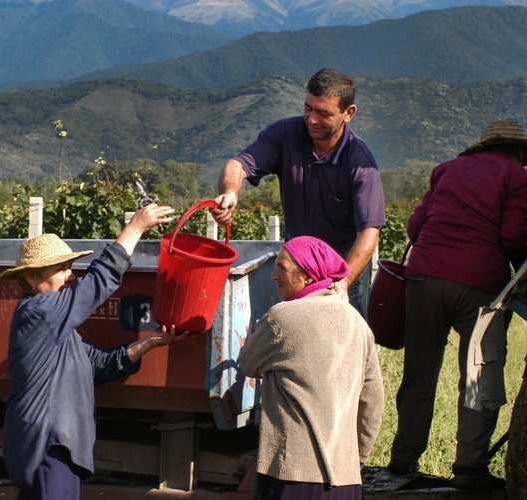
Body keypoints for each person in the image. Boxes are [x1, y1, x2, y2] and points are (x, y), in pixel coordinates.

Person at [0, 202, 187, 500]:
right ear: (32, 279)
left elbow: (99, 364)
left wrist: (148, 343)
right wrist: (136, 227)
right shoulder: (38, 312)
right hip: (47, 446)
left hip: (56, 448)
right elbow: (98, 282)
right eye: (60, 269)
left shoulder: (56, 329)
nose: (70, 275)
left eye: (69, 267)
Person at [388, 119, 527, 491]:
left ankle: (402, 461)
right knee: (478, 376)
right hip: (479, 286)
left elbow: (416, 227)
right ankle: (469, 470)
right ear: (518, 152)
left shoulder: (447, 170)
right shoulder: (516, 176)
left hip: (424, 278)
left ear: (482, 147)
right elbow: (514, 234)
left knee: (419, 374)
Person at [211, 68, 385, 317]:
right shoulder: (285, 136)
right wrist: (230, 192)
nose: (312, 119)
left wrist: (343, 282)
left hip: (344, 268)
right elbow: (237, 165)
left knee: (344, 344)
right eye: (308, 108)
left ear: (349, 113)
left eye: (323, 113)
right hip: (297, 267)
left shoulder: (359, 161)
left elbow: (369, 231)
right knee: (297, 338)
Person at [238, 235, 384, 500]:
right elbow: (373, 401)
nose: (273, 276)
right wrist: (356, 459)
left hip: (291, 477)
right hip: (345, 481)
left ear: (307, 275)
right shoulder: (357, 323)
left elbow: (248, 364)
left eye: (281, 267)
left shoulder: (281, 317)